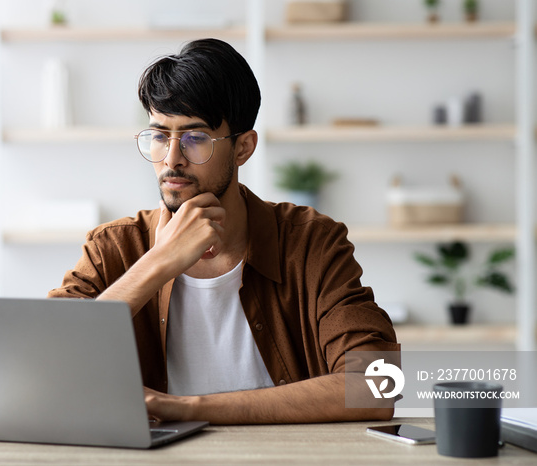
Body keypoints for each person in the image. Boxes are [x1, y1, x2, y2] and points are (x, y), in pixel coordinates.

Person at [48, 38, 399, 424]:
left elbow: (377, 387)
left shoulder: (310, 241)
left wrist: (187, 408)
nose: (172, 159)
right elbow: (43, 368)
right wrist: (159, 262)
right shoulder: (114, 245)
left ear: (243, 148)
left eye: (196, 138)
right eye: (160, 135)